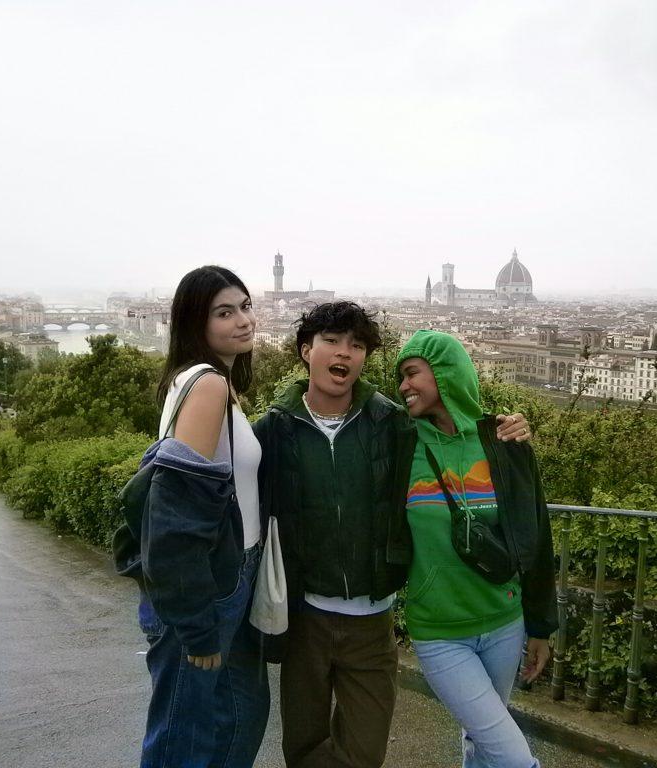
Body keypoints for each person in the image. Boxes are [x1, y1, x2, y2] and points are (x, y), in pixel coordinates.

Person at [254, 303, 531, 768]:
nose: (344, 352)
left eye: (357, 345)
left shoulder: (392, 425)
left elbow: (452, 432)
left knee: (364, 752)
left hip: (372, 620)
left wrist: (504, 429)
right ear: (306, 350)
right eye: (332, 341)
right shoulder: (273, 431)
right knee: (301, 748)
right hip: (304, 617)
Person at [394, 330, 557, 768]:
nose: (404, 386)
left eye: (412, 373)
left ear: (446, 373)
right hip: (440, 632)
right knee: (513, 755)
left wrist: (540, 626)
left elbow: (535, 534)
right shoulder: (400, 443)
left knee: (483, 743)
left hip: (506, 621)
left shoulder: (502, 442)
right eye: (400, 379)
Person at [138, 265, 268, 768]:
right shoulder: (209, 385)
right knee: (183, 732)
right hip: (211, 583)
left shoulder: (207, 384)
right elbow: (178, 511)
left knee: (237, 713)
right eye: (224, 312)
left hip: (230, 573)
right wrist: (195, 624)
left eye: (245, 306)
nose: (244, 321)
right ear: (197, 323)